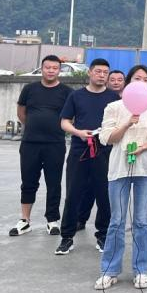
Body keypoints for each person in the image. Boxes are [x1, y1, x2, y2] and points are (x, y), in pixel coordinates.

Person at [94, 65, 147, 291]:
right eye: (137, 78)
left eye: (146, 80)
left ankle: (141, 269)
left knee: (142, 221)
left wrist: (143, 147)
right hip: (119, 168)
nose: (142, 82)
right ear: (128, 82)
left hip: (146, 168)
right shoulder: (114, 107)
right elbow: (107, 138)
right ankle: (109, 270)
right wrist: (128, 122)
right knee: (117, 220)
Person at [56, 58, 118, 255]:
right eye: (98, 71)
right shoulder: (76, 96)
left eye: (105, 72)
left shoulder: (114, 98)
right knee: (73, 194)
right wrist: (78, 132)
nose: (102, 75)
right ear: (90, 73)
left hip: (105, 152)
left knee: (104, 195)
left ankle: (103, 235)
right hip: (79, 151)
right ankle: (67, 237)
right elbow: (64, 122)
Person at [10, 55, 73, 237]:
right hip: (30, 143)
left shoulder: (67, 92)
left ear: (59, 70)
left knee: (54, 183)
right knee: (28, 182)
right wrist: (33, 126)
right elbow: (21, 113)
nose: (51, 71)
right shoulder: (29, 89)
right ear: (41, 69)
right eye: (47, 67)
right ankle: (25, 220)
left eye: (55, 68)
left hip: (55, 144)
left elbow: (71, 116)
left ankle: (52, 221)